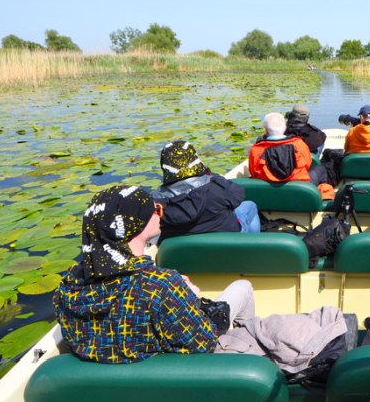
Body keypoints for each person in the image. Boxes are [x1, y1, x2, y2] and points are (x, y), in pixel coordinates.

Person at [53, 185, 256, 364]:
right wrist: (192, 299)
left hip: (123, 385)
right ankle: (243, 340)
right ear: (138, 226)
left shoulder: (69, 286)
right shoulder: (160, 286)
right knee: (243, 287)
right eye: (156, 209)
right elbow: (203, 341)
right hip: (187, 375)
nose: (160, 213)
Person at [150, 140, 260, 243]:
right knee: (250, 205)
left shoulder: (156, 203)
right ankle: (255, 249)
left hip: (183, 253)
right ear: (195, 159)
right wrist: (212, 176)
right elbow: (238, 194)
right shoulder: (216, 187)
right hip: (228, 242)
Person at [248, 112, 314, 183]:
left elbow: (253, 173)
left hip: (266, 192)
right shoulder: (299, 144)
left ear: (265, 130)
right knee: (319, 170)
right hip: (298, 189)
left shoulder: (256, 150)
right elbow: (308, 165)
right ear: (285, 128)